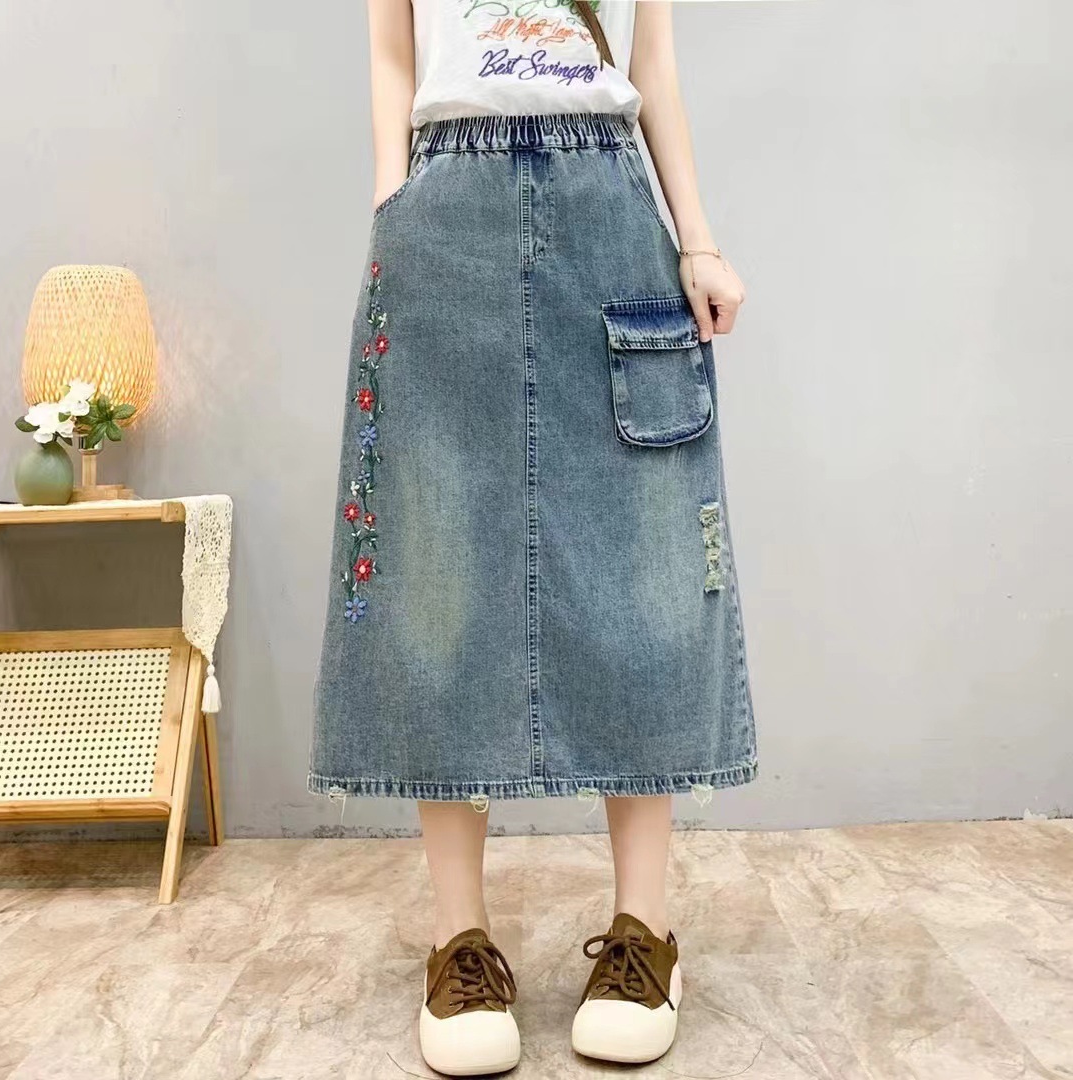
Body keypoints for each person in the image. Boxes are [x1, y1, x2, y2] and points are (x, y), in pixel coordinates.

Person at [308, 1, 758, 1073]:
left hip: (609, 204)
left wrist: (698, 240)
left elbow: (652, 62)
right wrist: (392, 202)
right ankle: (459, 942)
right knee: (435, 582)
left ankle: (644, 935)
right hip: (443, 215)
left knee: (642, 579)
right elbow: (389, 49)